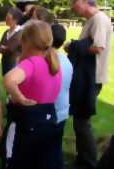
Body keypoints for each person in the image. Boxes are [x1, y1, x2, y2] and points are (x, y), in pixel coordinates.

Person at [3, 21, 62, 169]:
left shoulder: (31, 63)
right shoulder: (54, 64)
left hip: (27, 123)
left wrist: (20, 98)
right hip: (49, 122)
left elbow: (9, 79)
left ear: (26, 42)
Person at [66, 0, 112, 169]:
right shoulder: (91, 20)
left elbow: (98, 47)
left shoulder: (99, 19)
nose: (72, 6)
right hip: (85, 77)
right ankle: (83, 159)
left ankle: (88, 162)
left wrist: (73, 46)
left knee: (82, 122)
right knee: (79, 121)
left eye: (74, 1)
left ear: (85, 0)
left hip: (91, 78)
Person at [50, 24, 73, 169]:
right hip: (62, 111)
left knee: (45, 150)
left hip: (50, 113)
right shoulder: (67, 61)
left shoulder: (48, 62)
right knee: (55, 149)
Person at [0, 8, 23, 76]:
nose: (6, 19)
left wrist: (2, 47)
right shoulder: (6, 32)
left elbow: (11, 49)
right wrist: (3, 47)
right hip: (5, 62)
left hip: (14, 63)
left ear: (15, 20)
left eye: (8, 17)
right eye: (6, 16)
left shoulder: (20, 33)